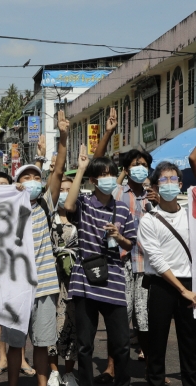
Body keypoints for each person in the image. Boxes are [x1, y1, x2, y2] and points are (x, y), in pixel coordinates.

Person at [1, 109, 68, 386]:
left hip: (45, 286)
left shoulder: (45, 204)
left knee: (42, 344)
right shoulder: (6, 210)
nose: (31, 182)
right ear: (17, 183)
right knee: (16, 346)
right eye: (26, 178)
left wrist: (63, 138)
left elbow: (59, 170)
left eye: (35, 178)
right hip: (15, 287)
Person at [91, 108, 155, 383]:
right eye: (136, 164)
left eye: (145, 164)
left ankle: (154, 368)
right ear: (127, 169)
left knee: (150, 322)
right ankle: (111, 367)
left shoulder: (156, 195)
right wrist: (108, 132)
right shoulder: (117, 192)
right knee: (120, 318)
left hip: (151, 266)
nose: (140, 168)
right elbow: (97, 163)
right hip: (122, 264)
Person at [64, 145, 136, 386]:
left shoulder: (123, 209)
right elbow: (68, 206)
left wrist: (118, 237)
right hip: (85, 279)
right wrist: (81, 170)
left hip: (113, 279)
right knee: (85, 344)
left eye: (111, 174)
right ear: (93, 180)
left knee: (121, 342)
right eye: (102, 175)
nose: (108, 179)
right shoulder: (84, 203)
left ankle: (122, 382)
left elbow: (131, 242)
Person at [139, 161, 196, 386]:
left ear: (181, 184)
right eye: (164, 180)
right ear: (155, 187)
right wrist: (183, 291)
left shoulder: (191, 217)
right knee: (157, 346)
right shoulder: (149, 220)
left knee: (190, 347)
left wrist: (189, 290)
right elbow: (157, 261)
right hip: (163, 285)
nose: (169, 183)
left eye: (174, 179)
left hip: (190, 284)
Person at [0, 171, 36, 379]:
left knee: (20, 313)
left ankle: (21, 357)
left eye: (4, 184)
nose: (0, 187)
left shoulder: (20, 204)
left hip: (19, 270)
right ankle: (2, 358)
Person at [47, 176, 79, 386]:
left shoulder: (81, 220)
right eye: (62, 189)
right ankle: (53, 371)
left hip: (74, 282)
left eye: (70, 189)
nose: (66, 193)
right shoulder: (47, 218)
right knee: (51, 326)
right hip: (51, 280)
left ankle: (69, 372)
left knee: (73, 325)